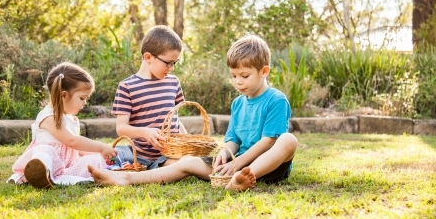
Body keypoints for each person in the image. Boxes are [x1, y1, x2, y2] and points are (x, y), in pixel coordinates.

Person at [88, 34, 299, 191]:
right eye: (233, 76)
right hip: (233, 167)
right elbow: (233, 139)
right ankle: (126, 179)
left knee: (289, 140)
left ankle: (242, 178)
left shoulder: (276, 100)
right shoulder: (237, 103)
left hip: (265, 167)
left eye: (244, 75)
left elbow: (268, 142)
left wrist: (239, 164)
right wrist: (225, 154)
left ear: (264, 72)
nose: (238, 82)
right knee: (186, 162)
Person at [7, 62, 117, 189]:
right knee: (44, 151)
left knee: (96, 159)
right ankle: (40, 174)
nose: (84, 103)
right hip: (50, 164)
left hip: (66, 169)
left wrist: (100, 154)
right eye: (82, 98)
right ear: (64, 95)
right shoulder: (48, 117)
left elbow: (77, 149)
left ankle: (58, 178)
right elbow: (72, 141)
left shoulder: (71, 119)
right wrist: (101, 147)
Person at [109, 25, 187, 171]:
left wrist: (187, 141)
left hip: (169, 156)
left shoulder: (173, 82)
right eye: (168, 63)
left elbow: (175, 119)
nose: (171, 68)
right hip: (139, 156)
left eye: (174, 63)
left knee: (189, 162)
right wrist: (145, 132)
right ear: (148, 57)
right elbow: (121, 128)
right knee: (107, 156)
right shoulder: (127, 86)